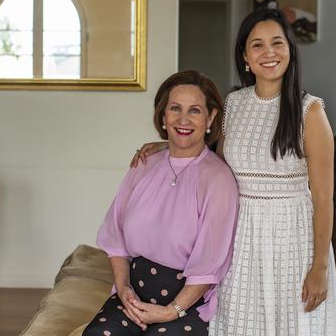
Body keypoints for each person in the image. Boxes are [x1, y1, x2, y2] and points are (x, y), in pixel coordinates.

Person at [132, 8, 336, 335]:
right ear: (245, 56)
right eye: (257, 45)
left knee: (294, 325)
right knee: (238, 324)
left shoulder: (310, 111)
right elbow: (210, 157)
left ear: (290, 51)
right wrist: (165, 146)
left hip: (293, 242)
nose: (268, 52)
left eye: (277, 43)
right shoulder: (232, 104)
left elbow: (325, 199)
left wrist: (319, 268)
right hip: (239, 237)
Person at [84, 70, 239, 336]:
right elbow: (116, 239)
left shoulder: (218, 179)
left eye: (195, 111)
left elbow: (209, 264)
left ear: (211, 117)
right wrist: (123, 290)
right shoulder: (143, 165)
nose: (183, 119)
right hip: (133, 295)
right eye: (175, 108)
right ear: (163, 115)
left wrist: (171, 311)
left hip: (187, 305)